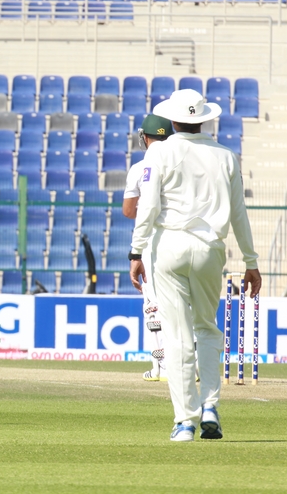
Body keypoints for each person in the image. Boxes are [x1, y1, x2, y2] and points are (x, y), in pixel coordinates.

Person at [129, 89, 261, 442]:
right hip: (209, 249)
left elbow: (149, 206)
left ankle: (184, 421)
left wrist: (135, 251)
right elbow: (238, 213)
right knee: (206, 328)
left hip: (167, 246)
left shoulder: (159, 151)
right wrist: (250, 261)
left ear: (172, 119)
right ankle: (210, 407)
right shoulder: (225, 155)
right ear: (204, 118)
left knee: (177, 336)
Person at [123, 114, 173, 382]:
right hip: (186, 240)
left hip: (153, 243)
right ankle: (195, 367)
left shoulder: (140, 168)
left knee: (154, 305)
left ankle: (161, 367)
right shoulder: (183, 167)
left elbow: (129, 211)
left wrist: (136, 251)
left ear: (145, 137)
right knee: (187, 306)